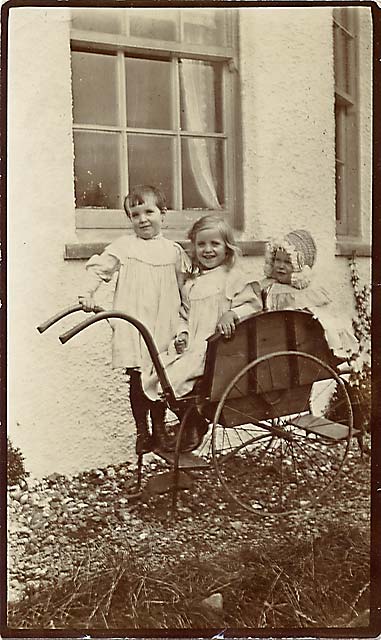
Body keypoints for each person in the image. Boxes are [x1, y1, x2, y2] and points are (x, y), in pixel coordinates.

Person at [78, 185, 191, 455]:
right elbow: (100, 270)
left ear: (163, 214)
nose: (142, 219)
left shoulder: (174, 252)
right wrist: (87, 294)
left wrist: (185, 325)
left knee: (161, 377)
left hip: (163, 324)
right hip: (134, 323)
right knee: (138, 378)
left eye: (149, 212)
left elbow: (184, 289)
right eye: (135, 214)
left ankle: (160, 429)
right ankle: (143, 431)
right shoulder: (124, 247)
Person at [142, 215, 262, 450]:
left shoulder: (234, 278)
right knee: (158, 372)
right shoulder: (192, 284)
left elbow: (254, 306)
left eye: (214, 244)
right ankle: (192, 421)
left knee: (175, 380)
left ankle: (193, 423)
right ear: (194, 249)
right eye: (201, 244)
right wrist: (182, 333)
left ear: (227, 249)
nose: (207, 250)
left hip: (220, 351)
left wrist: (233, 314)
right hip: (196, 346)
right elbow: (184, 315)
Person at [258, 228, 358, 359]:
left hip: (298, 345)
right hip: (272, 342)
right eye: (277, 260)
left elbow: (323, 318)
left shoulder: (307, 292)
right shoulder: (268, 286)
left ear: (300, 266)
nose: (281, 266)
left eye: (288, 262)